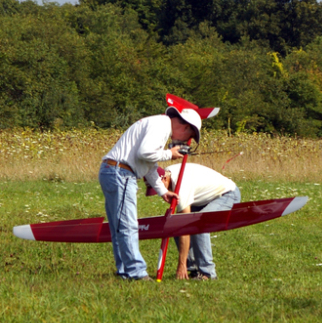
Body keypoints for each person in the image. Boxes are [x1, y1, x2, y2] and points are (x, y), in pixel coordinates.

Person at [100, 107, 202, 280]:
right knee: (128, 226)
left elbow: (149, 164)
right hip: (121, 173)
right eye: (190, 137)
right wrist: (169, 153)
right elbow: (145, 153)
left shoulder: (158, 123)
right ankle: (137, 273)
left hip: (112, 170)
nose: (185, 141)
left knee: (118, 227)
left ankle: (125, 270)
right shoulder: (162, 125)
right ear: (185, 128)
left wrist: (163, 191)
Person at [145, 163, 240, 280]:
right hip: (201, 199)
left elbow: (185, 227)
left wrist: (181, 263)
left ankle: (208, 273)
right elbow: (180, 225)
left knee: (200, 225)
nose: (159, 193)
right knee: (175, 226)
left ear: (164, 179)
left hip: (227, 194)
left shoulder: (181, 185)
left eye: (157, 188)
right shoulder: (167, 174)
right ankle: (193, 270)